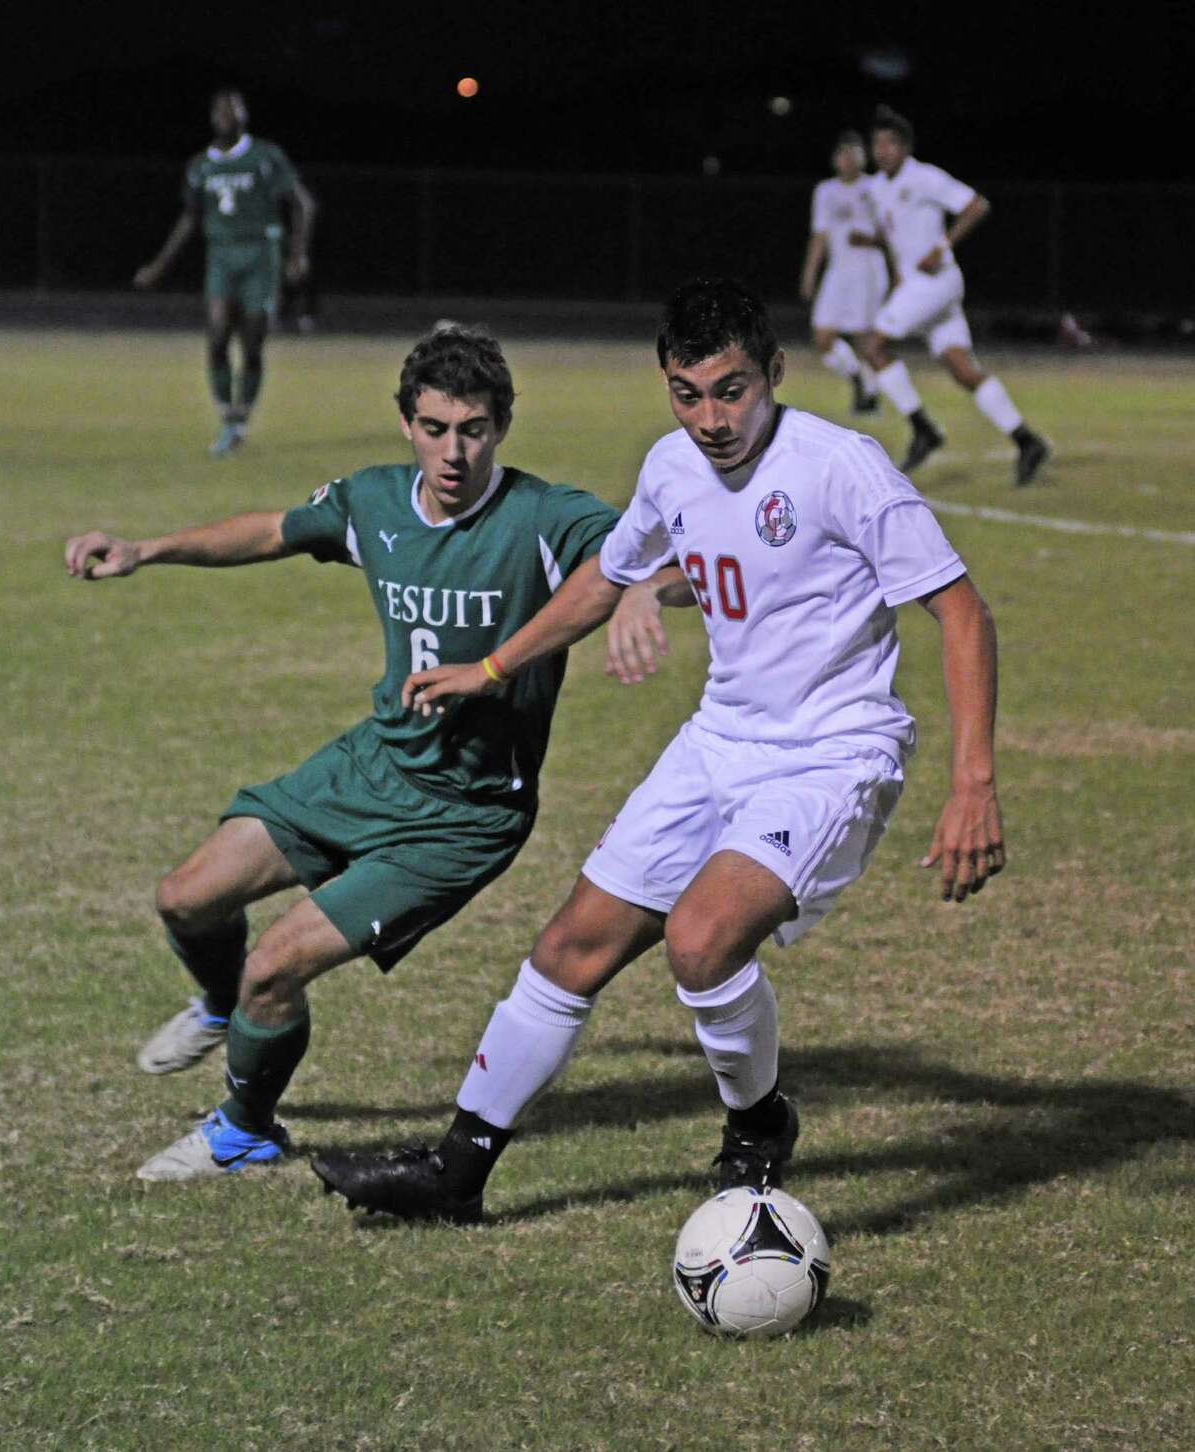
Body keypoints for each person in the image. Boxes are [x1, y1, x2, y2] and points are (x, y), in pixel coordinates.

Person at [311, 277, 1007, 1225]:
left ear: (774, 373)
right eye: (687, 393)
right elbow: (609, 575)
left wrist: (974, 782)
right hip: (716, 742)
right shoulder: (671, 467)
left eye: (731, 390)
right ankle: (456, 1172)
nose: (711, 418)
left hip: (830, 754)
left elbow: (959, 611)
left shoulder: (841, 465)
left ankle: (758, 1124)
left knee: (700, 941)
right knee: (567, 949)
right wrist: (494, 665)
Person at [62, 325, 638, 1183]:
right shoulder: (373, 502)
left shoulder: (541, 517)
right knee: (185, 899)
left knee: (275, 967)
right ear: (406, 424)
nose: (454, 451)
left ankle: (245, 1130)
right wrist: (149, 549)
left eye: (473, 429)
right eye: (435, 428)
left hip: (463, 816)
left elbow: (638, 556)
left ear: (502, 426)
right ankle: (223, 1009)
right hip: (373, 766)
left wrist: (620, 604)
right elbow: (273, 530)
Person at [859, 105, 1049, 485]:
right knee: (963, 370)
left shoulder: (925, 176)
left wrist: (943, 245)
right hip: (919, 286)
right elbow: (897, 234)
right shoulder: (877, 188)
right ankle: (1027, 441)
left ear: (906, 147)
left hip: (934, 282)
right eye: (877, 143)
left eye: (890, 143)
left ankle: (923, 429)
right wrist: (897, 271)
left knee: (872, 346)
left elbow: (976, 205)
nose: (882, 150)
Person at [134, 89, 316, 456]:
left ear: (244, 116)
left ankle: (240, 419)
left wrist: (297, 254)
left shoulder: (265, 156)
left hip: (260, 257)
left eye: (233, 109)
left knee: (251, 342)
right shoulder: (201, 165)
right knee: (217, 335)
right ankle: (228, 420)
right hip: (221, 257)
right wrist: (159, 265)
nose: (225, 115)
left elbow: (303, 203)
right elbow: (190, 218)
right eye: (219, 109)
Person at [799, 130, 887, 415]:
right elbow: (819, 235)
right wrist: (810, 274)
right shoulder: (825, 191)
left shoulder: (877, 187)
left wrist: (871, 240)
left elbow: (896, 234)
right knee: (823, 336)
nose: (847, 158)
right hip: (838, 272)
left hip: (868, 270)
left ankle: (869, 400)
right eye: (842, 152)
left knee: (864, 338)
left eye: (854, 152)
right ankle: (861, 380)